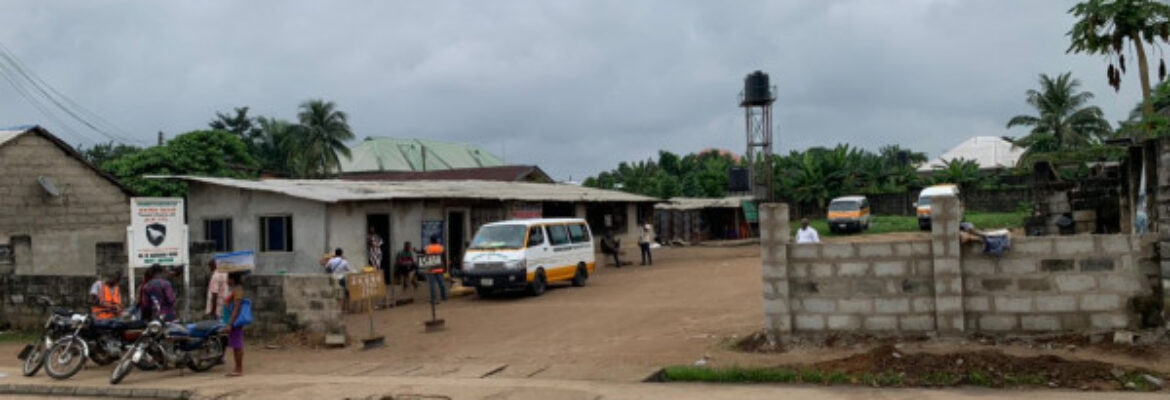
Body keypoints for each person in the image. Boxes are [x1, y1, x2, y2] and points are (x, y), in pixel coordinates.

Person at [223, 272, 246, 377]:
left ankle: (238, 368)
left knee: (237, 345)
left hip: (235, 322)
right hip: (233, 321)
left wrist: (230, 323)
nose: (227, 281)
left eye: (228, 278)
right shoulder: (235, 289)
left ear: (233, 279)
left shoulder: (237, 290)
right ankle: (237, 368)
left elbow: (237, 307)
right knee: (236, 345)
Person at [423, 235, 448, 303]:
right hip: (439, 268)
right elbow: (444, 258)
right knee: (442, 283)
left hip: (431, 269)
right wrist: (445, 268)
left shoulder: (427, 248)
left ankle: (434, 299)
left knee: (432, 285)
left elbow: (424, 258)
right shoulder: (441, 248)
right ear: (436, 240)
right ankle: (444, 296)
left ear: (430, 240)